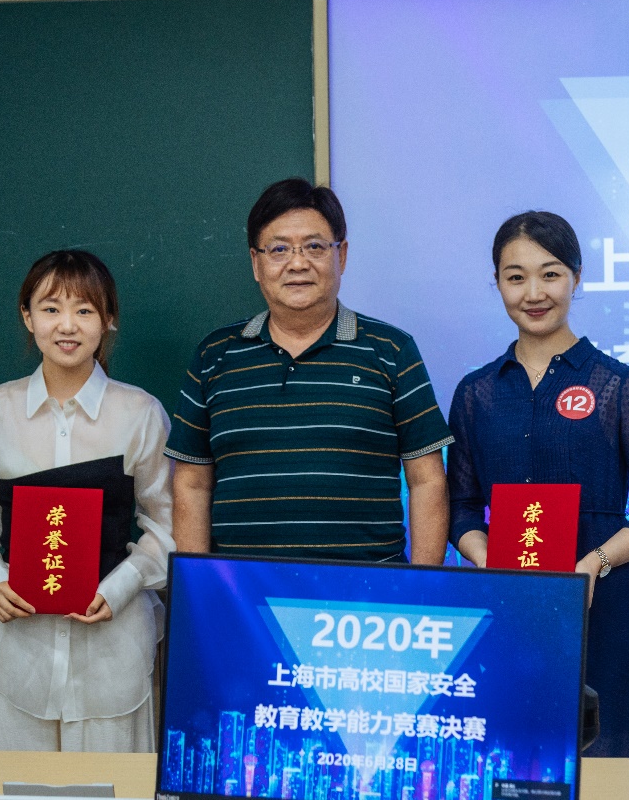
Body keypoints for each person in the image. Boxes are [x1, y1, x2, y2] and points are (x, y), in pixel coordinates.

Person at [447, 211, 629, 760]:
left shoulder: (617, 384)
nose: (534, 293)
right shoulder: (476, 392)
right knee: (512, 755)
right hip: (509, 602)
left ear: (576, 278)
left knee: (609, 758)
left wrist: (593, 564)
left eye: (550, 274)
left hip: (603, 600)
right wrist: (488, 558)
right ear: (498, 283)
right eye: (516, 277)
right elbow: (461, 506)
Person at [0, 249, 175, 752]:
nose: (67, 325)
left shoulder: (140, 413)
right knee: (13, 784)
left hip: (112, 648)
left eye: (84, 310)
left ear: (108, 319)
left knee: (112, 784)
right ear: (28, 317)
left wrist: (119, 588)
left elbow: (166, 526)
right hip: (16, 648)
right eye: (50, 308)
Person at [165, 177, 453, 563]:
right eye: (279, 249)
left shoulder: (392, 350)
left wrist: (422, 587)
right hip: (243, 591)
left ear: (342, 255)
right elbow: (192, 483)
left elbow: (427, 480)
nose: (297, 263)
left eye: (314, 247)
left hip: (367, 590)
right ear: (256, 262)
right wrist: (201, 587)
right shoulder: (214, 355)